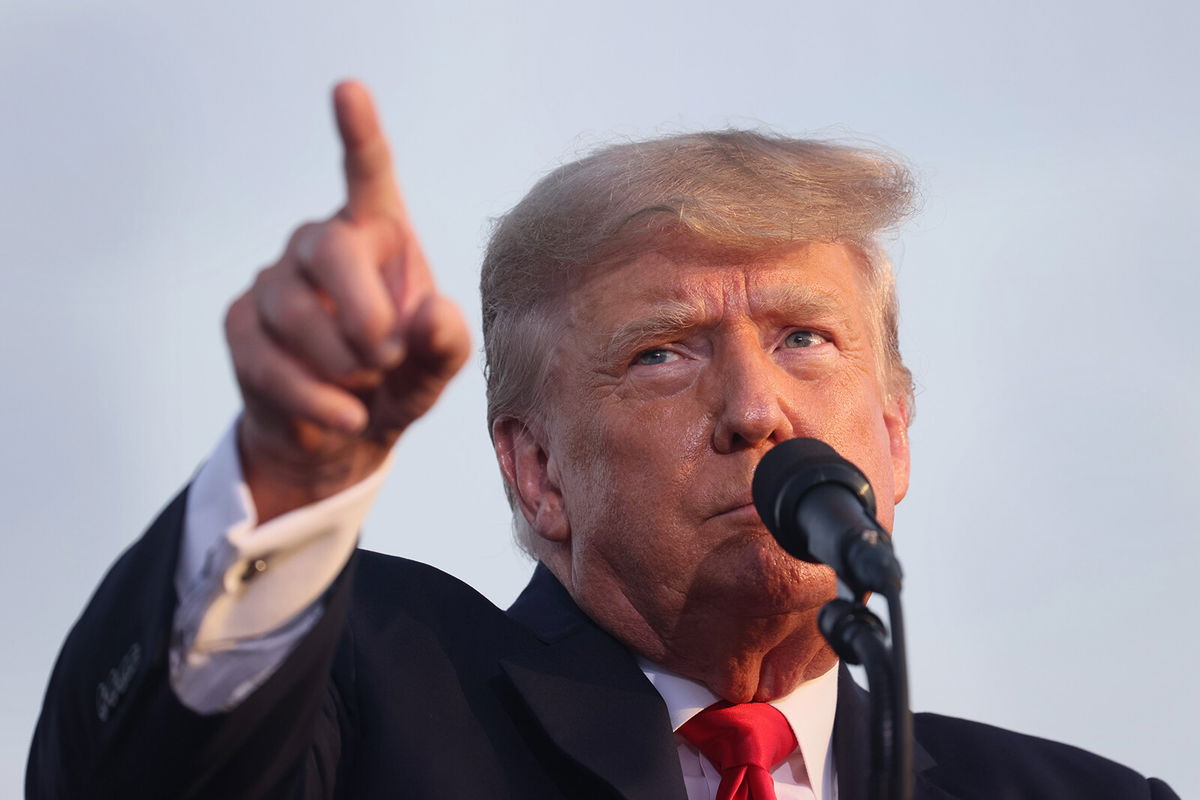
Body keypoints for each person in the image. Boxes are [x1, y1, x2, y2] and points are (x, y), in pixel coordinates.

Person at [28, 82, 1178, 799]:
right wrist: (292, 470)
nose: (754, 408)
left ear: (894, 433)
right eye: (662, 353)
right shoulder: (362, 687)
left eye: (805, 339)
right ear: (536, 472)